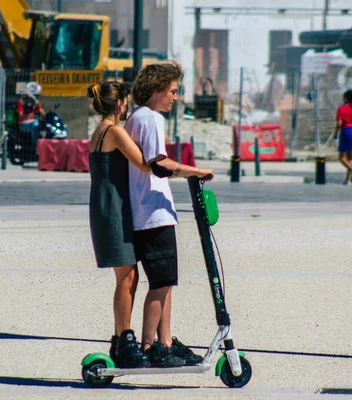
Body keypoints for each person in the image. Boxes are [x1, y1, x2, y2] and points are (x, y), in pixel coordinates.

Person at [125, 61, 215, 367]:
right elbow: (158, 164)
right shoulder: (150, 119)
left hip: (149, 212)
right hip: (152, 213)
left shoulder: (137, 117)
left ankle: (165, 341)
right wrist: (196, 171)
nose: (175, 98)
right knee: (160, 284)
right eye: (172, 91)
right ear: (156, 90)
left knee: (166, 282)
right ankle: (150, 346)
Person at [87, 81, 151, 369]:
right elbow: (144, 163)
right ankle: (124, 340)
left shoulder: (98, 131)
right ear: (120, 104)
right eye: (127, 102)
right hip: (112, 209)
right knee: (127, 277)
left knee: (127, 276)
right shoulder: (114, 132)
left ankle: (119, 339)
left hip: (105, 206)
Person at [331, 90, 352, 185]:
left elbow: (339, 123)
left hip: (346, 131)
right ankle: (348, 179)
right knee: (350, 157)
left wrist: (335, 135)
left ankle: (351, 169)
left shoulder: (342, 109)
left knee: (342, 157)